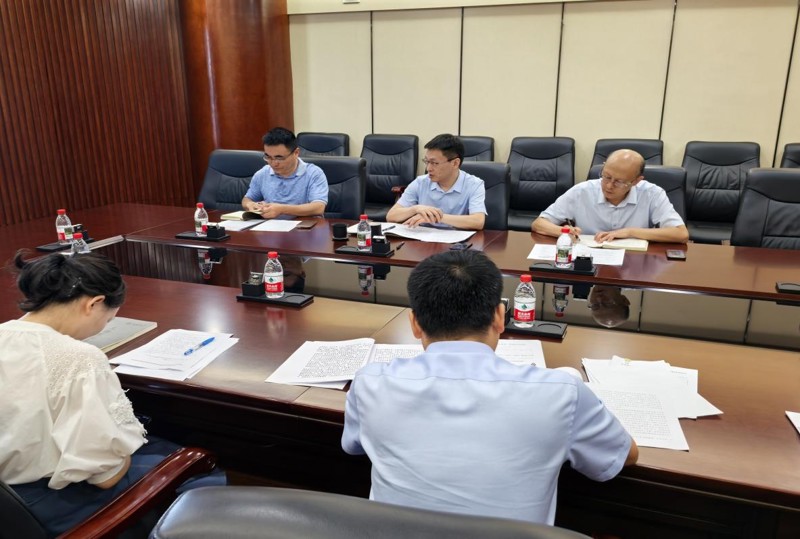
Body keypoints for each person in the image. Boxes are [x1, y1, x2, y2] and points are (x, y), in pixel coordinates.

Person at [341, 250, 638, 525]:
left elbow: (353, 446)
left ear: (415, 324)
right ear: (499, 317)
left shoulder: (369, 383)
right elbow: (624, 455)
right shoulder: (562, 392)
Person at [0, 252, 224, 536]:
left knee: (156, 445)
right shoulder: (77, 357)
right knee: (199, 469)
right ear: (94, 304)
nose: (101, 329)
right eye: (108, 320)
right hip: (44, 505)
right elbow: (106, 476)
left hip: (9, 497)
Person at [532, 149, 689, 243]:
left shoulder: (652, 193)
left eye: (619, 182)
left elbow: (681, 234)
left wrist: (629, 232)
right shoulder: (582, 191)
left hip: (633, 264)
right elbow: (539, 224)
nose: (608, 186)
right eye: (606, 176)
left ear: (636, 181)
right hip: (589, 262)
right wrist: (563, 232)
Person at [386, 134, 486, 230]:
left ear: (455, 163)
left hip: (457, 239)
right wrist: (415, 209)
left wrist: (435, 217)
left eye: (434, 163)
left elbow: (478, 221)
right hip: (423, 238)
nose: (428, 168)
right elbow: (391, 216)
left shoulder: (474, 184)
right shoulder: (420, 182)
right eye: (427, 161)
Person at [242, 127, 328, 219]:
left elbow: (318, 207)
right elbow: (247, 199)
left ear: (296, 153)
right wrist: (250, 205)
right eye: (268, 157)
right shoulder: (262, 173)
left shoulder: (314, 173)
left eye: (279, 158)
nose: (274, 163)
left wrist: (282, 209)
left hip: (304, 225)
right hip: (271, 225)